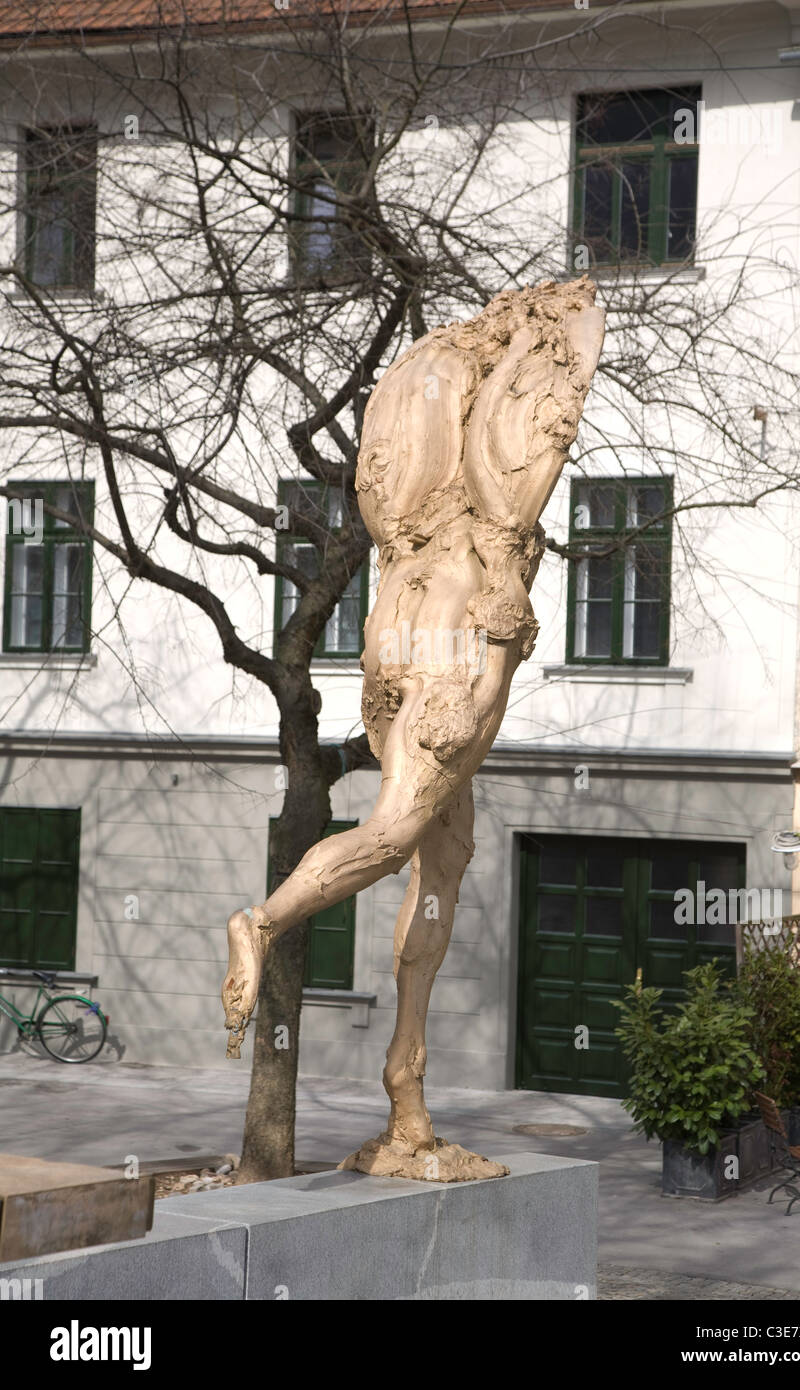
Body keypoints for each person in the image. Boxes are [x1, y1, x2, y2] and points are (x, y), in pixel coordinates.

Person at [222, 278, 604, 1176]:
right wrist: (485, 679)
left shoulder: (422, 436)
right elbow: (514, 506)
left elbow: (389, 488)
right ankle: (262, 922)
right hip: (455, 653)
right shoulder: (498, 498)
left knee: (444, 860)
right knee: (395, 835)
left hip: (393, 632)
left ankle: (407, 1091)